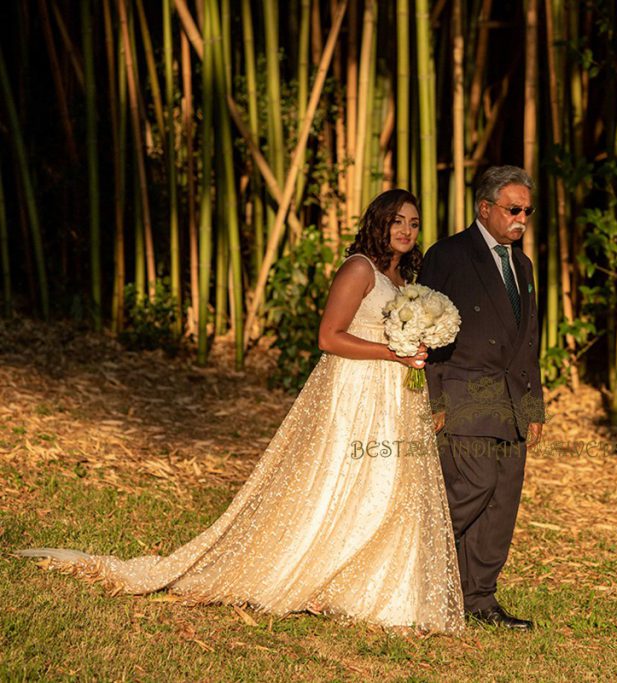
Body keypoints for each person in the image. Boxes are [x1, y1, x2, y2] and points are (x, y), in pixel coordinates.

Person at [16, 189, 465, 634]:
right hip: (356, 391)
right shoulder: (359, 269)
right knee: (343, 481)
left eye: (413, 223)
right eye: (397, 221)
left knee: (390, 485)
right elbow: (329, 337)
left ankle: (373, 587)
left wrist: (415, 348)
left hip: (395, 392)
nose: (406, 230)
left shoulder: (407, 284)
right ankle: (317, 569)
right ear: (378, 222)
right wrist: (392, 352)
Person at [418, 165, 545, 630]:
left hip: (511, 402)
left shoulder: (524, 265)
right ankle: (423, 581)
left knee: (502, 501)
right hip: (465, 394)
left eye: (527, 211)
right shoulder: (449, 255)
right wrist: (434, 400)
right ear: (485, 208)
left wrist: (533, 408)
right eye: (513, 210)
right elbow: (425, 329)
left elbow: (531, 338)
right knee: (471, 488)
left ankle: (479, 599)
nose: (521, 220)